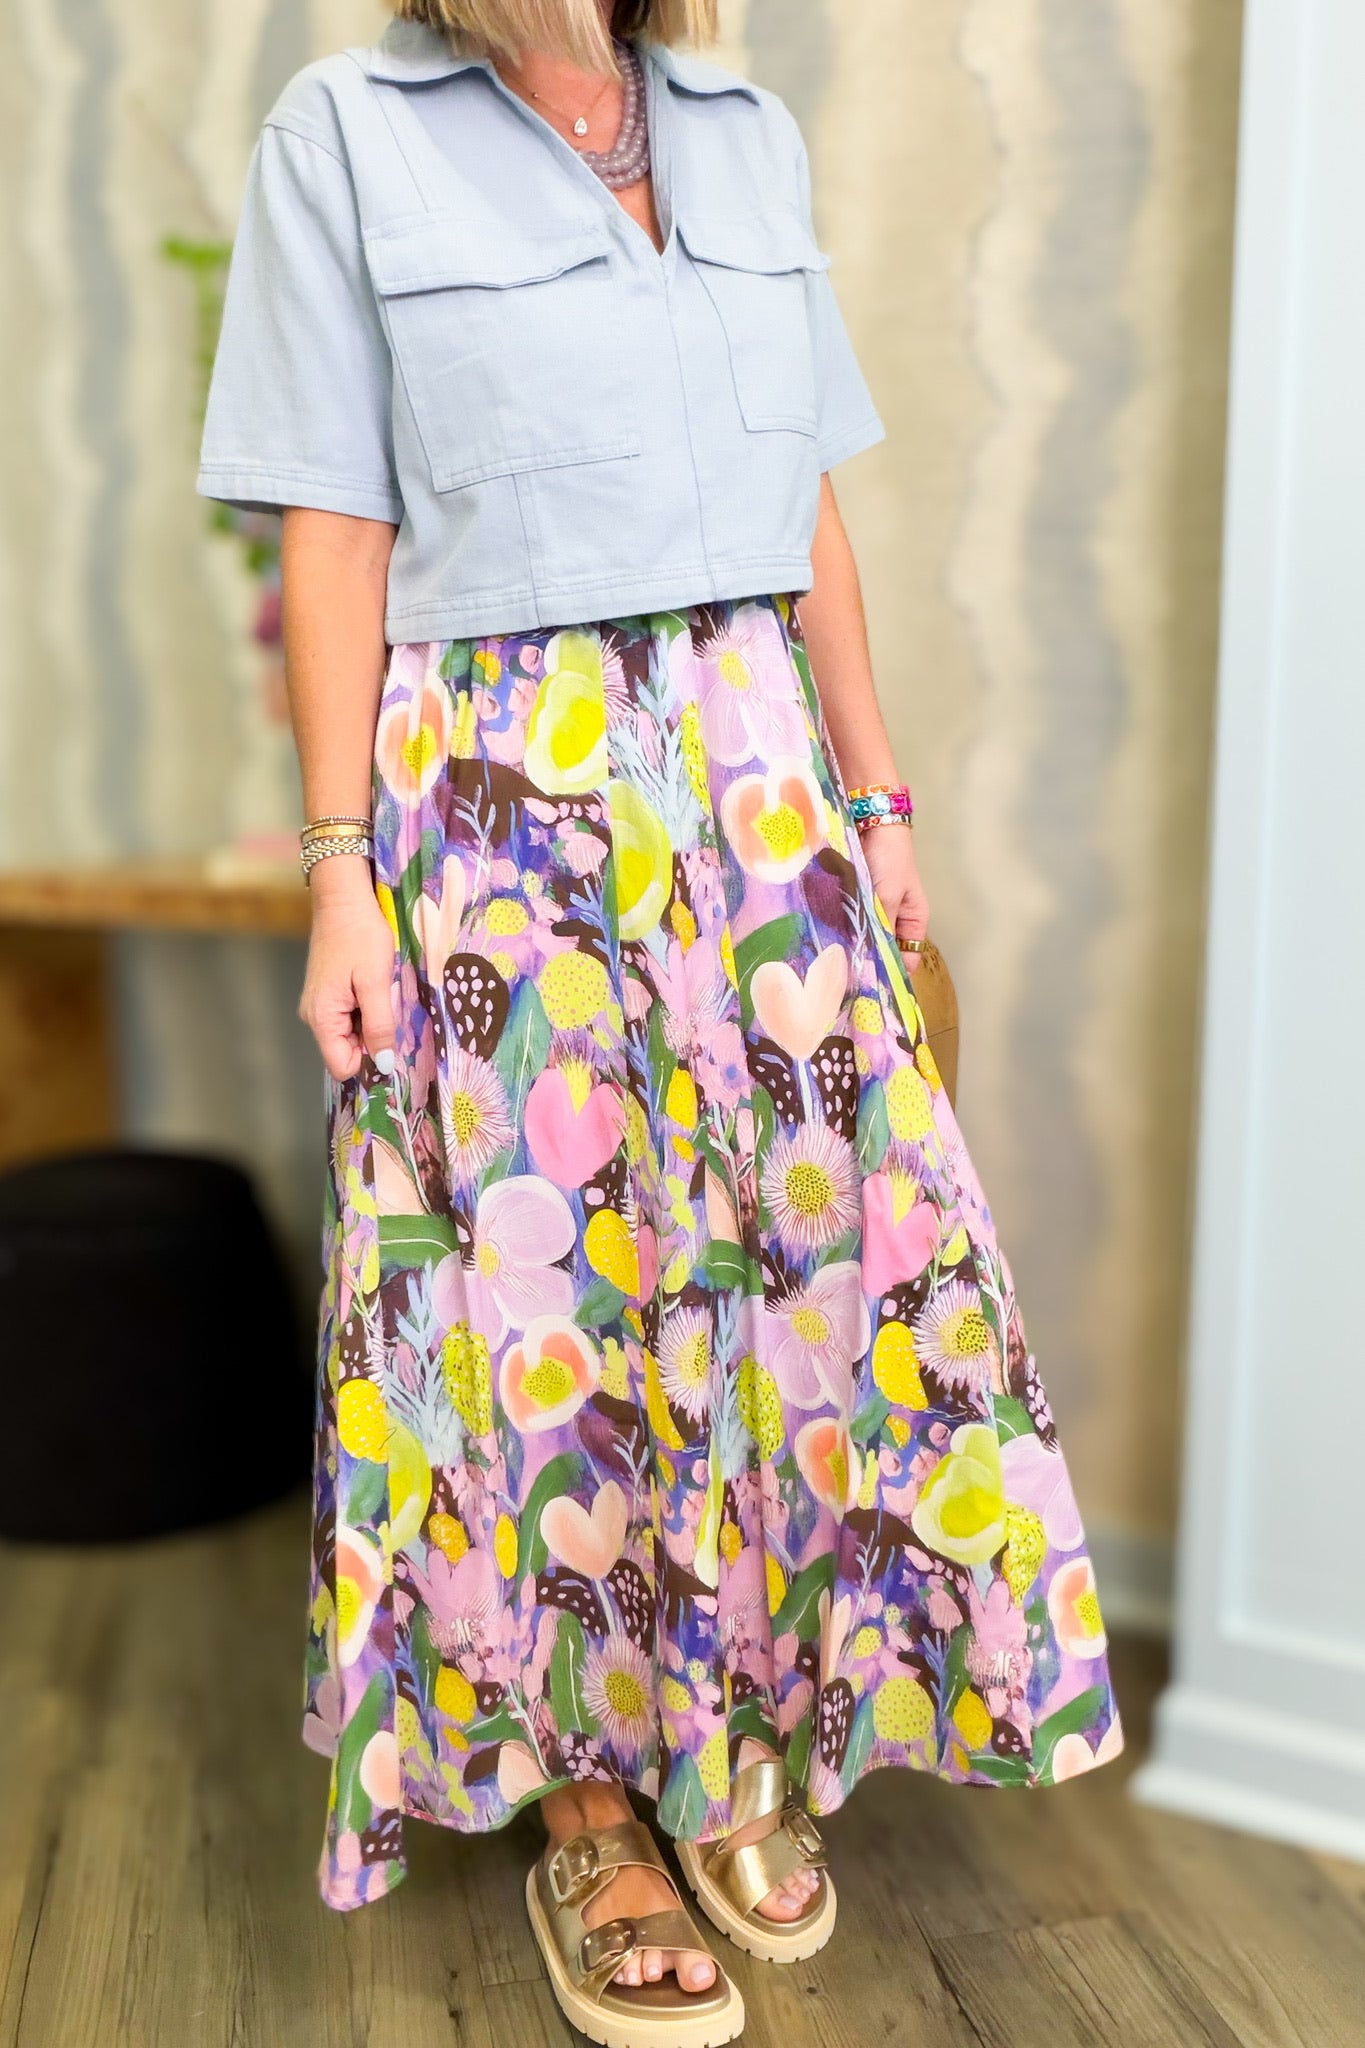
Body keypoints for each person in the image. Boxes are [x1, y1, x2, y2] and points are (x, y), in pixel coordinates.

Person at [197, 3, 1123, 2041]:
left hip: (757, 787)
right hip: (499, 812)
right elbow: (331, 528)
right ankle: (595, 1805)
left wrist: (877, 807)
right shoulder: (343, 133)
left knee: (794, 1275)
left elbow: (804, 511)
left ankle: (729, 1741)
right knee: (547, 1321)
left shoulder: (739, 131)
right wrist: (339, 863)